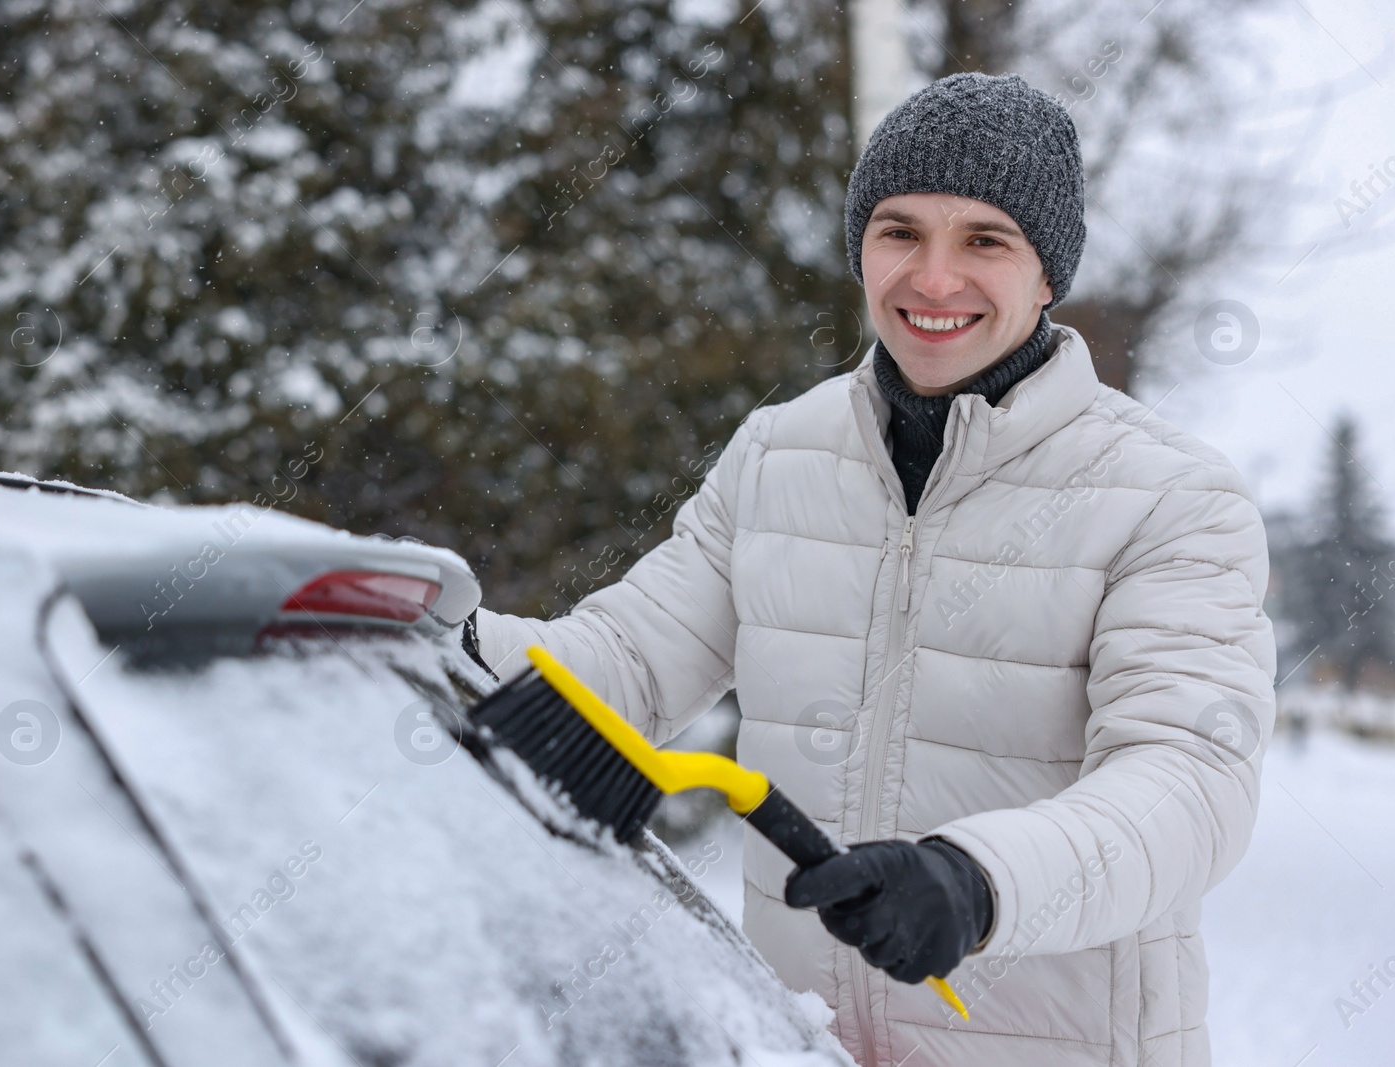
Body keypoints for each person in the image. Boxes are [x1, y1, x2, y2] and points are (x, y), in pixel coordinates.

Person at [468, 71, 1276, 1067]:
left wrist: (975, 881)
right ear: (861, 247)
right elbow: (627, 661)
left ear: (1048, 273)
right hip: (807, 1045)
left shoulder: (1168, 494)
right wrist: (439, 633)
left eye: (984, 239)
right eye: (899, 231)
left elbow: (1189, 783)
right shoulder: (778, 454)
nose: (933, 279)